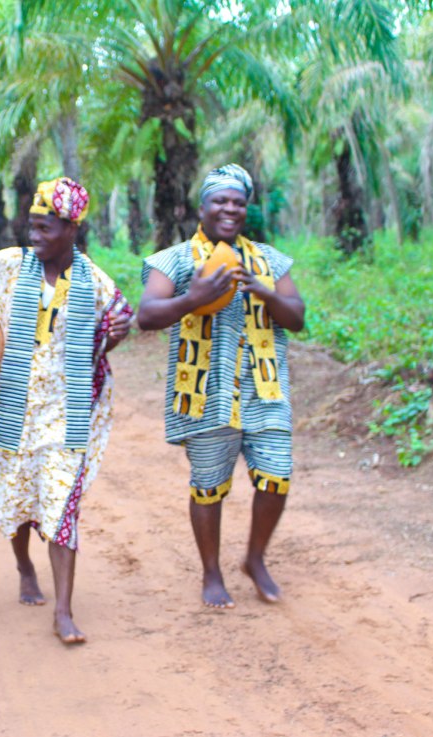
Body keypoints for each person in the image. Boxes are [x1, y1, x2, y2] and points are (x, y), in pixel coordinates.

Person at [0, 176, 133, 644]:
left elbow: (123, 318)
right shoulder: (10, 265)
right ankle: (25, 565)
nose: (35, 236)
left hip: (66, 413)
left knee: (62, 503)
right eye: (32, 227)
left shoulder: (93, 280)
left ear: (71, 228)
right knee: (20, 498)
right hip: (13, 407)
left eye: (45, 228)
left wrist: (109, 337)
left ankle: (63, 612)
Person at [137, 164, 305, 609]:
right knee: (208, 485)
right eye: (220, 201)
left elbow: (298, 317)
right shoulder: (173, 259)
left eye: (238, 202)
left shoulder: (269, 259)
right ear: (202, 207)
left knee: (277, 478)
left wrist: (264, 291)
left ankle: (255, 558)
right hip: (205, 394)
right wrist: (193, 297)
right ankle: (212, 574)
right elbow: (147, 315)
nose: (230, 208)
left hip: (264, 389)